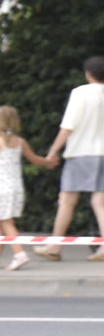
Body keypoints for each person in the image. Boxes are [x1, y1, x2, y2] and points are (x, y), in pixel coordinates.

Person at [35, 57, 104, 262]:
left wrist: (52, 152)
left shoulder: (79, 93)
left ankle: (55, 245)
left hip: (80, 152)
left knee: (67, 200)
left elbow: (68, 127)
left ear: (88, 73)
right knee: (100, 201)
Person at [0, 105, 57, 271]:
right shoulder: (20, 142)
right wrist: (49, 161)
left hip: (2, 188)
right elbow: (35, 159)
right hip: (16, 187)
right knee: (2, 224)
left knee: (6, 223)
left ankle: (19, 255)